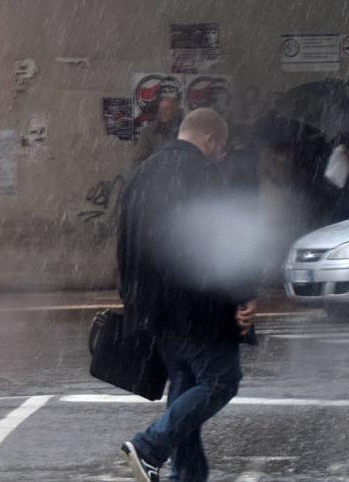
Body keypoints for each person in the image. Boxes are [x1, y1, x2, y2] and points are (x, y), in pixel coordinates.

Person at [117, 108, 258, 482]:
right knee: (220, 382)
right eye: (221, 147)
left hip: (157, 311)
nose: (221, 155)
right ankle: (150, 445)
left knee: (184, 396)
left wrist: (133, 299)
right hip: (201, 307)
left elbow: (125, 245)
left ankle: (189, 476)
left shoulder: (141, 175)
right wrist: (243, 296)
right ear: (211, 140)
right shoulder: (207, 176)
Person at [134, 95, 184, 164]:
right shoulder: (148, 132)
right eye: (162, 109)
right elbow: (138, 162)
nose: (164, 112)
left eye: (168, 109)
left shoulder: (187, 130)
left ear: (176, 111)